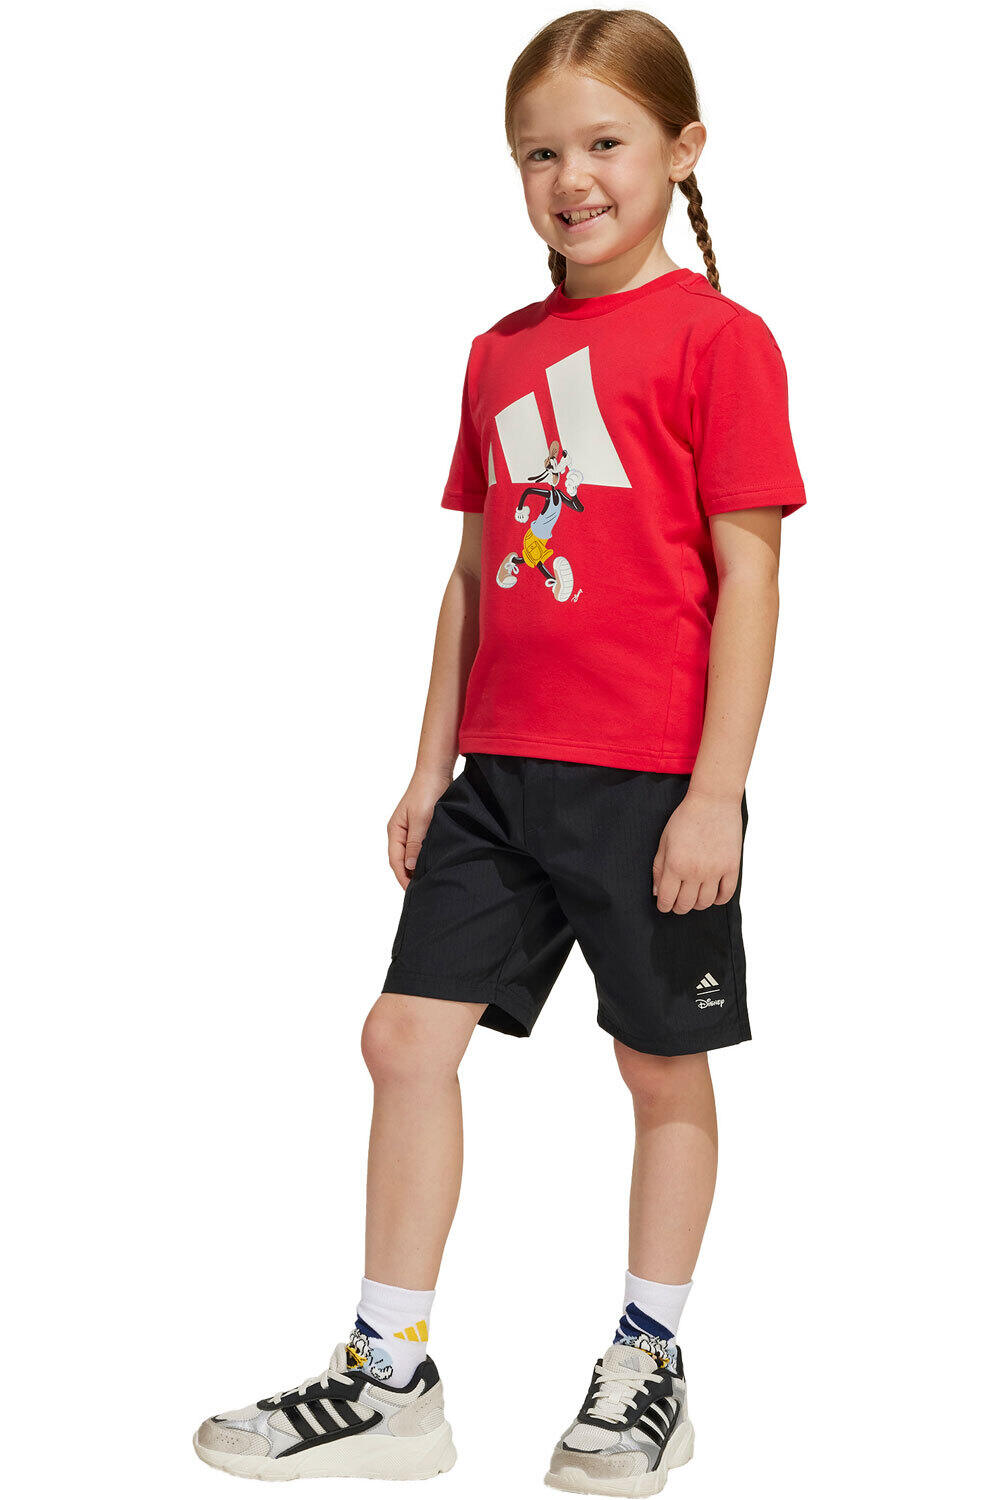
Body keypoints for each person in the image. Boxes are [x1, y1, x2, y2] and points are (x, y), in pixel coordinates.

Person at [193, 9, 807, 1493]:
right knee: (403, 1039)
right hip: (501, 779)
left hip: (653, 781)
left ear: (683, 150)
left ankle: (647, 1361)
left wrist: (716, 792)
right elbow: (475, 577)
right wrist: (429, 770)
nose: (570, 178)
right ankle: (389, 1372)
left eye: (605, 144)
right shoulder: (502, 354)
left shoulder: (721, 343)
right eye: (539, 153)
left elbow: (753, 578)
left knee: (658, 1062)